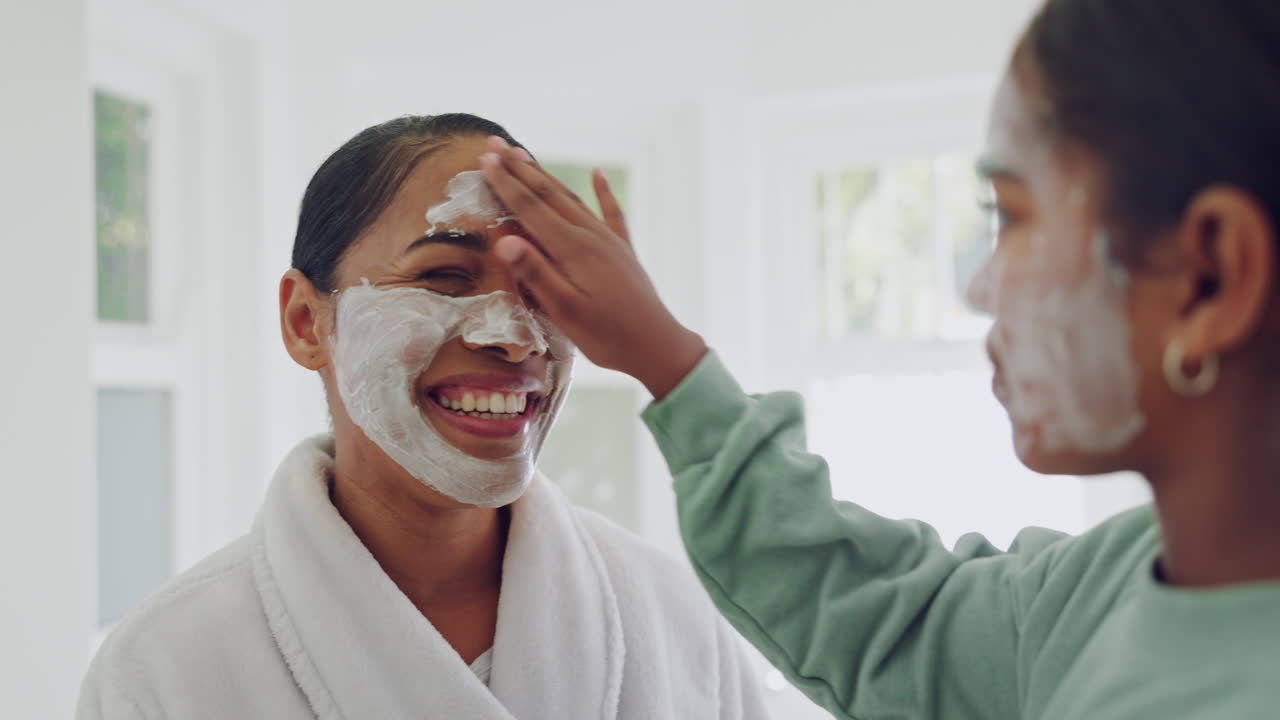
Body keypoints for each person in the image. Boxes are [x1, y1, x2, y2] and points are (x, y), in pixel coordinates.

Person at [476, 1, 1280, 717]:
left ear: (1210, 278)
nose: (981, 288)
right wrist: (667, 362)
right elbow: (887, 620)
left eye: (1014, 216)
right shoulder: (1107, 591)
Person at [77, 114, 766, 720]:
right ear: (304, 322)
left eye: (540, 286)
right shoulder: (165, 668)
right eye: (443, 277)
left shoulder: (676, 621)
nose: (517, 336)